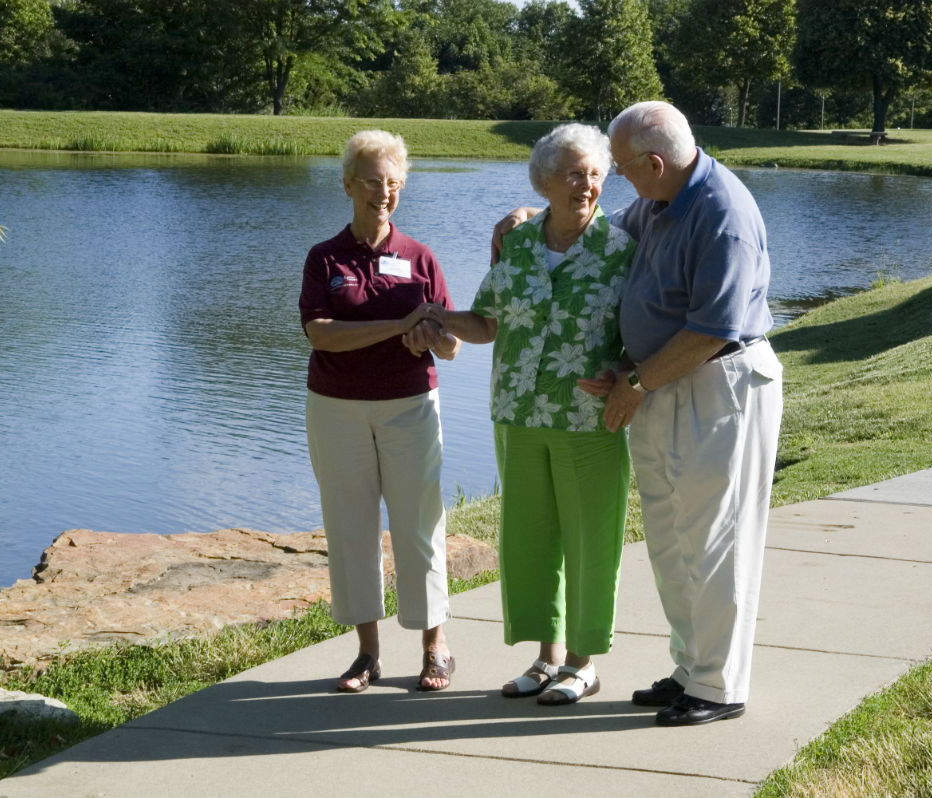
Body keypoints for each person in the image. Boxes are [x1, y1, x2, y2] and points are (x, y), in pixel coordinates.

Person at [496, 101, 783, 726]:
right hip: (662, 384)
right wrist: (531, 216)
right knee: (673, 534)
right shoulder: (660, 199)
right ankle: (691, 667)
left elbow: (712, 330)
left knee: (715, 537)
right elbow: (589, 224)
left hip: (716, 384)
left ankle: (718, 685)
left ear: (655, 162)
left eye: (620, 167)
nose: (613, 179)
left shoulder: (721, 213)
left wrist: (633, 382)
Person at [427, 123, 635, 705]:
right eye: (573, 173)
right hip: (517, 413)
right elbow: (487, 322)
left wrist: (624, 371)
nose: (586, 185)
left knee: (590, 539)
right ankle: (545, 659)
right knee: (528, 538)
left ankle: (583, 663)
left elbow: (647, 327)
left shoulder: (621, 249)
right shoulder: (516, 243)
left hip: (589, 419)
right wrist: (437, 317)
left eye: (595, 173)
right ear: (544, 181)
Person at [299, 130, 461, 693]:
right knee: (351, 528)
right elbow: (321, 336)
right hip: (336, 410)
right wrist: (399, 326)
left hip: (410, 406)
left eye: (393, 183)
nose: (383, 192)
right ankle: (367, 655)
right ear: (347, 184)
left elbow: (452, 342)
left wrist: (431, 337)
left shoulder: (420, 258)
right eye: (372, 181)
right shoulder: (325, 258)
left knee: (419, 526)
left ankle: (435, 647)